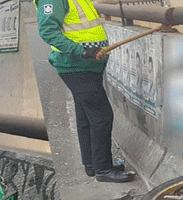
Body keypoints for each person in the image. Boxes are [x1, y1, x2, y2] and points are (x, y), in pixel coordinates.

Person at [34, 0, 134, 183]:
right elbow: (47, 31)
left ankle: (93, 165)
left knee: (86, 117)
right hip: (76, 66)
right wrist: (81, 51)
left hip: (86, 66)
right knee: (102, 117)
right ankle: (103, 169)